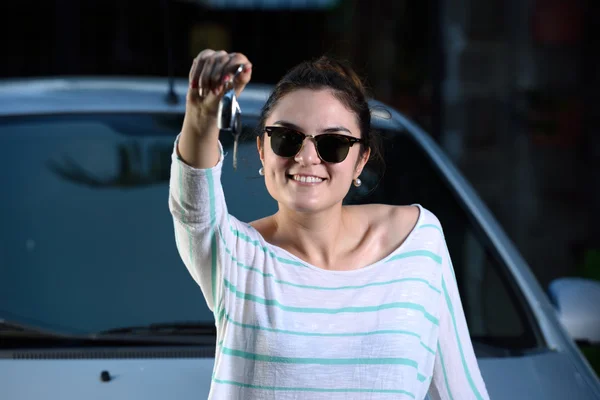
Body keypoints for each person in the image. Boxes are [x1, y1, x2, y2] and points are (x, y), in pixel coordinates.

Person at [168, 49, 490, 400]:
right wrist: (200, 116)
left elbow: (462, 390)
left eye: (333, 144)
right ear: (262, 150)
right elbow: (194, 209)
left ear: (360, 160)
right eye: (286, 139)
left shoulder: (418, 241)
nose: (307, 158)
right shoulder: (236, 257)